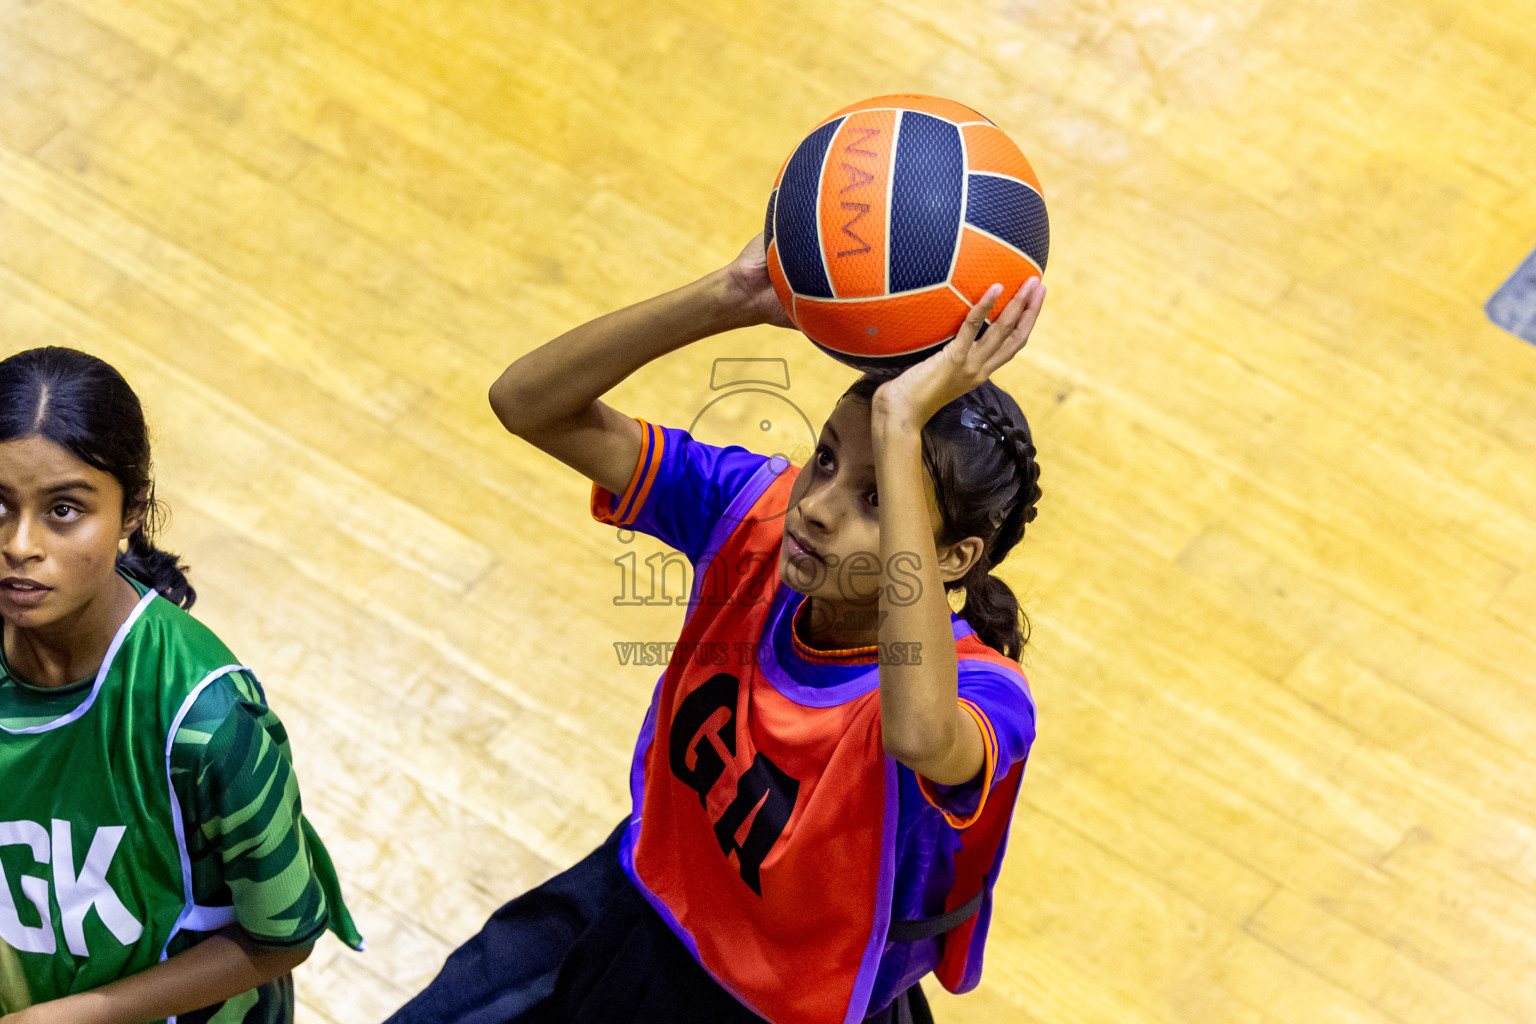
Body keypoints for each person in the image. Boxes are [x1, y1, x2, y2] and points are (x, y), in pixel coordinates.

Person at [386, 234, 1045, 1024]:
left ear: (954, 558)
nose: (819, 506)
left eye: (878, 499)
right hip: (645, 896)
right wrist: (726, 298)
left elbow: (916, 733)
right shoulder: (757, 518)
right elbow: (527, 403)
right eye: (826, 459)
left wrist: (901, 427)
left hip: (782, 1009)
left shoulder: (987, 697)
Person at [0, 347, 364, 1024]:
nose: (20, 544)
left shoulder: (209, 722)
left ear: (131, 512)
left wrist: (71, 1017)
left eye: (64, 511)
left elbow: (280, 937)